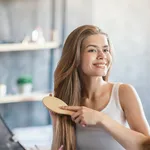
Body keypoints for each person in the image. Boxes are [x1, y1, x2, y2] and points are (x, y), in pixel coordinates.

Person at [49, 25, 150, 150]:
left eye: (106, 50)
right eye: (92, 50)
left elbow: (146, 146)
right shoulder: (67, 100)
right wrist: (56, 123)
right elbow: (60, 147)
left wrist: (100, 118)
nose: (102, 56)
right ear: (75, 57)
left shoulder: (123, 93)